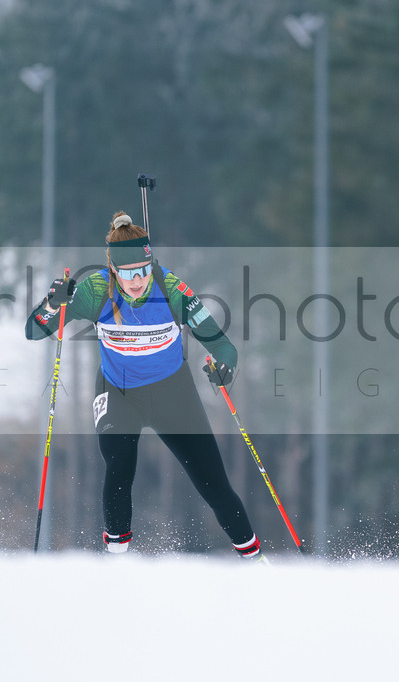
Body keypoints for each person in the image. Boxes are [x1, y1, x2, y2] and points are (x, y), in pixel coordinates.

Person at [25, 210, 266, 562]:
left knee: (213, 484)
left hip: (172, 393)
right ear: (113, 271)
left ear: (150, 265)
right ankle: (117, 562)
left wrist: (225, 367)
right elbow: (35, 330)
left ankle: (256, 561)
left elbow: (221, 344)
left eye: (142, 271)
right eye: (127, 274)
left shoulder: (171, 289)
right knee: (119, 465)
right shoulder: (95, 291)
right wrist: (52, 304)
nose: (137, 281)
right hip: (118, 391)